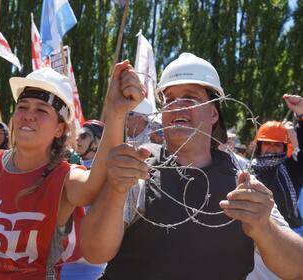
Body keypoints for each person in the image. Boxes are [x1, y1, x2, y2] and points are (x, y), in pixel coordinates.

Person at [81, 53, 303, 280]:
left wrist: (264, 228)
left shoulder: (242, 185)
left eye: (189, 98)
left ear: (213, 113)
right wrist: (115, 191)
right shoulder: (137, 170)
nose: (177, 106)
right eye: (169, 99)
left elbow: (296, 268)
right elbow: (94, 252)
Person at [0, 63, 144, 280]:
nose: (28, 115)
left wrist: (115, 113)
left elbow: (93, 186)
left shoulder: (64, 179)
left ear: (59, 129)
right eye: (22, 106)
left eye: (41, 110)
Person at [61, 119, 106, 280]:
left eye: (84, 136)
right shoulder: (69, 169)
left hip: (90, 263)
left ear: (98, 142)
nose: (78, 139)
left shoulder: (107, 176)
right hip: (63, 258)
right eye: (78, 135)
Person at [251, 100, 303, 231]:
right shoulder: (249, 169)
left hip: (290, 232)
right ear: (260, 145)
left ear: (284, 147)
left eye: (277, 144)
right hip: (257, 233)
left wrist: (301, 115)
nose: (272, 148)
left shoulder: (291, 166)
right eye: (268, 143)